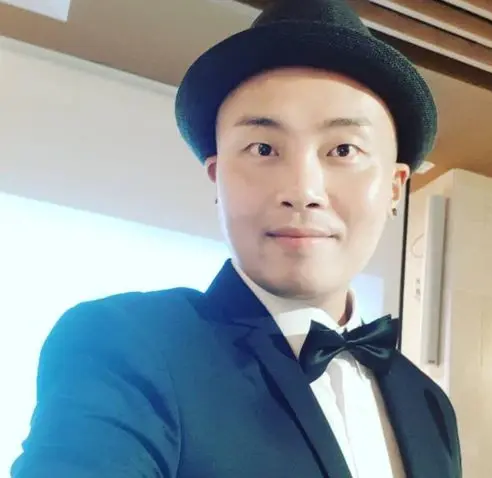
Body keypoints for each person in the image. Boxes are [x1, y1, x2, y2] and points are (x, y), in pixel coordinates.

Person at [11, 0, 461, 477]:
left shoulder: (429, 403)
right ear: (218, 177)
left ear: (394, 188)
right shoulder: (126, 344)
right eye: (263, 148)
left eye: (343, 149)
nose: (303, 191)